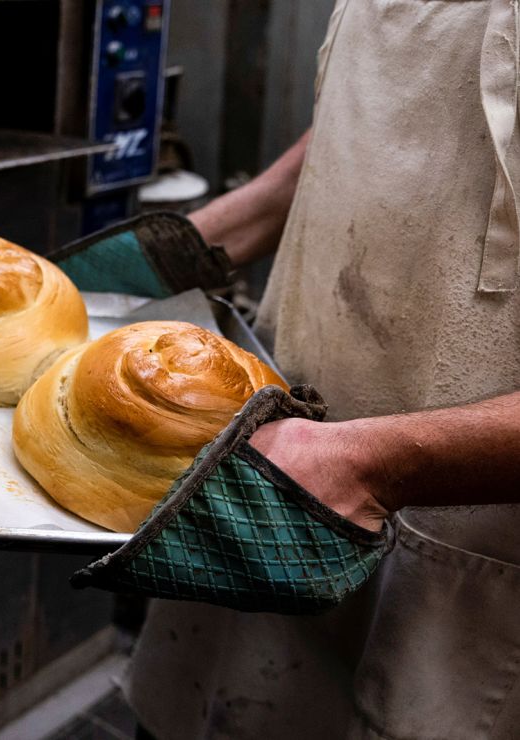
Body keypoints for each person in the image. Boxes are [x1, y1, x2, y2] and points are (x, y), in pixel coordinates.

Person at [106, 1, 520, 737]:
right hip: (264, 484)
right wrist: (230, 223)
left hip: (453, 561)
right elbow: (405, 100)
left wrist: (377, 461)